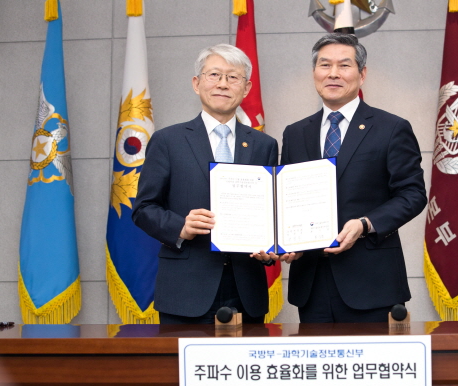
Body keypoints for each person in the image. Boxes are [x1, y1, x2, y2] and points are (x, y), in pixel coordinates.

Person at [278, 33, 427, 323]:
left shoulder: (391, 128)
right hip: (311, 283)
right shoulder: (295, 133)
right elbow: (287, 199)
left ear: (362, 74)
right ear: (314, 73)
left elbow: (412, 194)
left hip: (372, 283)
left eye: (344, 65)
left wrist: (365, 224)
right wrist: (284, 240)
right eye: (324, 65)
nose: (333, 73)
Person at [132, 44, 278, 324]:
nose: (223, 84)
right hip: (185, 289)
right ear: (197, 84)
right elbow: (143, 209)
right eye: (214, 75)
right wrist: (181, 227)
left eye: (233, 77)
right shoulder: (168, 141)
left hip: (246, 288)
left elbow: (271, 212)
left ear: (246, 89)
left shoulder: (264, 145)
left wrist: (272, 247)